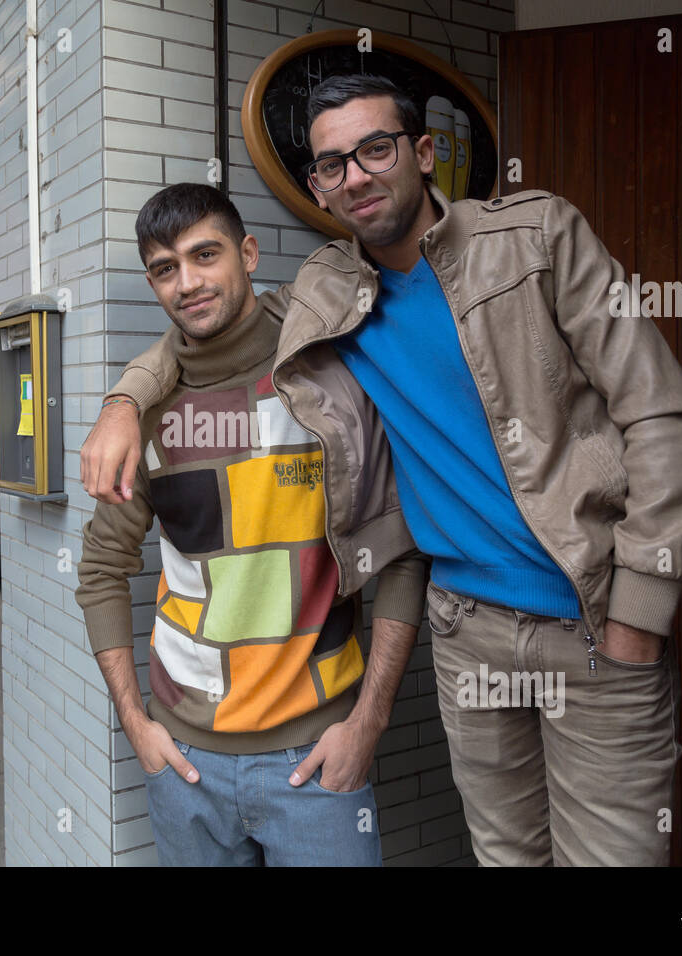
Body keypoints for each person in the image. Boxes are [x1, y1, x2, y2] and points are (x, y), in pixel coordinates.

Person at [80, 75, 682, 866]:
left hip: (592, 620)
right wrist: (124, 401)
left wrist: (640, 615)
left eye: (375, 149)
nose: (357, 175)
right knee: (507, 856)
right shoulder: (331, 291)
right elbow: (203, 337)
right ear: (317, 186)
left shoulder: (534, 236)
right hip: (465, 629)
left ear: (422, 151)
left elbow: (662, 415)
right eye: (334, 163)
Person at [75, 182, 429, 866]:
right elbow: (99, 572)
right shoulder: (146, 415)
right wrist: (136, 725)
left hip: (319, 761)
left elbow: (401, 552)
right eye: (165, 268)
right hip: (186, 766)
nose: (188, 282)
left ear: (248, 252)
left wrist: (368, 721)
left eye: (205, 255)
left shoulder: (330, 377)